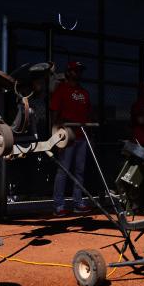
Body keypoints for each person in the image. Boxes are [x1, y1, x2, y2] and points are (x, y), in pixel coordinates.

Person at [50, 61, 93, 216]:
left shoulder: (84, 92)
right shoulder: (61, 90)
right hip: (67, 136)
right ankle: (58, 205)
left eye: (80, 71)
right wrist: (56, 135)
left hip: (82, 136)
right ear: (68, 72)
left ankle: (78, 202)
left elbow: (88, 113)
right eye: (75, 71)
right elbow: (54, 113)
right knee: (63, 170)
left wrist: (89, 129)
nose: (78, 73)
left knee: (80, 171)